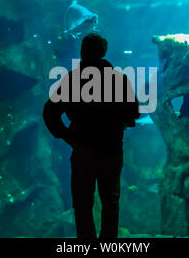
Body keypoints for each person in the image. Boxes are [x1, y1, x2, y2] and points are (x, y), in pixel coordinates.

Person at [43, 33, 140, 238]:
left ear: (83, 52)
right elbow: (134, 113)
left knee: (82, 204)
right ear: (103, 52)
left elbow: (50, 113)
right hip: (111, 150)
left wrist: (67, 136)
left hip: (83, 150)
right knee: (110, 203)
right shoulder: (118, 79)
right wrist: (118, 124)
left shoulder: (73, 79)